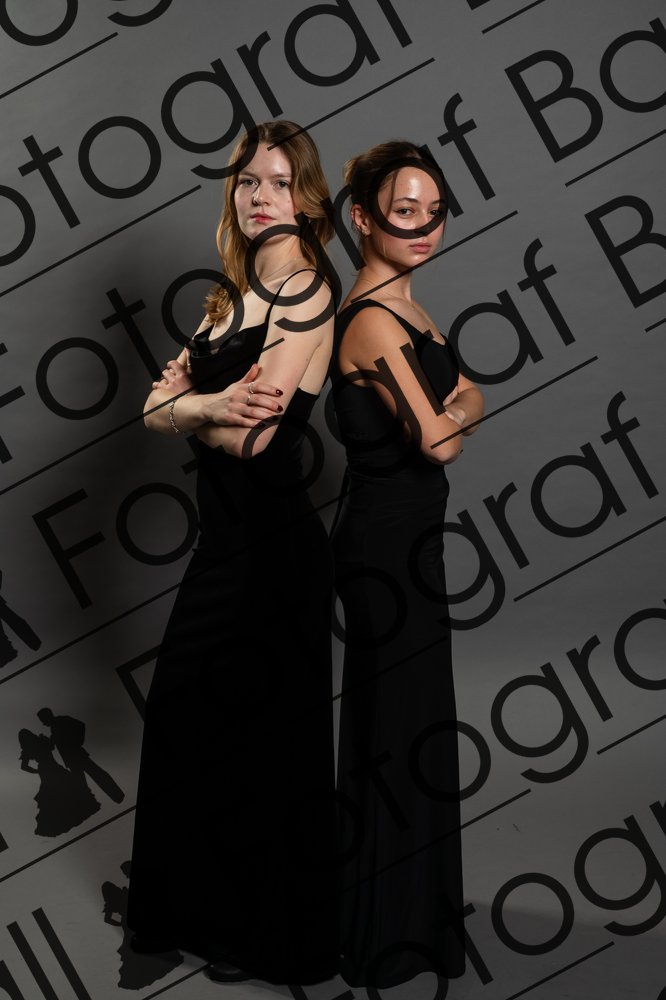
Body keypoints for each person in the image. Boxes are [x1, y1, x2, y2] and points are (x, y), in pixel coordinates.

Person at [126, 120, 339, 986]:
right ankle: (200, 917)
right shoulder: (231, 298)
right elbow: (152, 412)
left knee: (259, 745)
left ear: (308, 198)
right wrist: (202, 409)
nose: (260, 197)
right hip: (225, 545)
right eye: (249, 181)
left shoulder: (309, 294)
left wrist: (190, 410)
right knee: (196, 725)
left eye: (279, 183)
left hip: (274, 556)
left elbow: (254, 443)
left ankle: (268, 938)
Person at [330, 140, 484, 988]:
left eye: (434, 211)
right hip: (382, 548)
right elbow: (441, 439)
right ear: (362, 218)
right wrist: (457, 408)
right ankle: (381, 931)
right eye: (403, 212)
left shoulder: (411, 309)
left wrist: (458, 404)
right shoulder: (373, 321)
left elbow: (470, 393)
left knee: (417, 720)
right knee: (396, 725)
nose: (424, 227)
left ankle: (411, 915)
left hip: (415, 540)